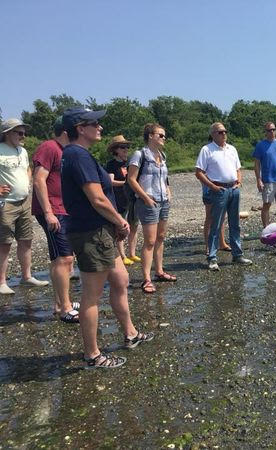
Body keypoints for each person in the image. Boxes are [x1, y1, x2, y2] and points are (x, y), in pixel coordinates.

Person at [60, 107, 153, 368]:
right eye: (95, 123)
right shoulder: (77, 155)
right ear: (81, 128)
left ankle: (130, 333)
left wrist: (113, 224)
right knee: (91, 295)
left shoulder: (78, 154)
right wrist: (120, 220)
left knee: (121, 279)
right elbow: (97, 198)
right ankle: (92, 355)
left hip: (100, 231)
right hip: (92, 232)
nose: (100, 127)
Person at [32, 117, 78, 322]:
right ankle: (65, 308)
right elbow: (38, 179)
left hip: (64, 209)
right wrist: (48, 212)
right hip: (52, 210)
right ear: (66, 131)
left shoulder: (66, 151)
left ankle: (60, 302)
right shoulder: (49, 147)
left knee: (63, 258)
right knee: (63, 258)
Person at [0, 118, 49, 294]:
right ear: (7, 133)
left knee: (26, 239)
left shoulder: (23, 151)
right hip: (5, 203)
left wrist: (27, 180)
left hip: (24, 201)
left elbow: (28, 168)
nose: (23, 136)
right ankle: (1, 282)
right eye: (19, 133)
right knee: (4, 243)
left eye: (24, 133)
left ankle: (26, 277)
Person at [195, 122, 253, 271]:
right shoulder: (207, 149)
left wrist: (239, 181)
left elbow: (238, 168)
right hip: (218, 189)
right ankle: (212, 257)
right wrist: (212, 187)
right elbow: (199, 172)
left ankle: (237, 254)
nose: (224, 134)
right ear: (213, 134)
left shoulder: (232, 149)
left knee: (235, 223)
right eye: (220, 132)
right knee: (216, 224)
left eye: (225, 131)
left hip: (233, 189)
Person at [127, 123, 176, 293]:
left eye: (164, 135)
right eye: (160, 135)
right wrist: (145, 197)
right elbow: (131, 179)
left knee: (160, 237)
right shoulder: (139, 154)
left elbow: (164, 178)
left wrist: (168, 191)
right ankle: (146, 279)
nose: (164, 138)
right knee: (149, 240)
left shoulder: (162, 155)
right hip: (148, 201)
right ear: (150, 136)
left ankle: (159, 271)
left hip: (163, 201)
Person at [105, 135, 138, 266]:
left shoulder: (129, 163)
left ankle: (132, 253)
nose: (126, 149)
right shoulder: (111, 165)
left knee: (134, 225)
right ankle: (122, 256)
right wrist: (126, 183)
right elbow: (110, 181)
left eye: (127, 147)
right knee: (122, 227)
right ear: (115, 149)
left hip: (132, 198)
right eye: (122, 147)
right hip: (119, 200)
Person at [202, 183, 230, 255]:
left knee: (222, 215)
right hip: (209, 190)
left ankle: (222, 243)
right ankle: (208, 246)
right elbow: (200, 177)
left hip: (222, 188)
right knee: (210, 217)